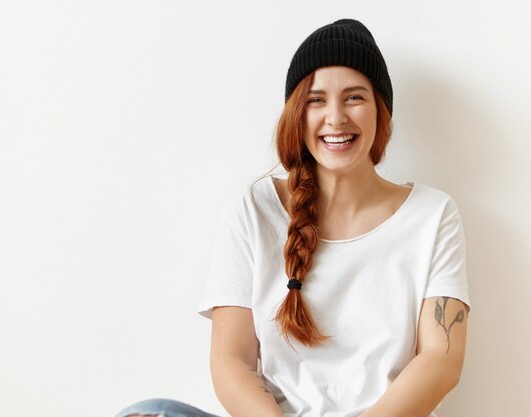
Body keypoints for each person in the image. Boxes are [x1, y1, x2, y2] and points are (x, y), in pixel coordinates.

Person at [115, 18, 470, 417]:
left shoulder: (432, 215)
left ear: (379, 111)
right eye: (316, 100)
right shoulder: (251, 211)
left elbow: (441, 361)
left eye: (354, 97)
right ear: (297, 114)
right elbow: (231, 361)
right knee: (150, 411)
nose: (335, 118)